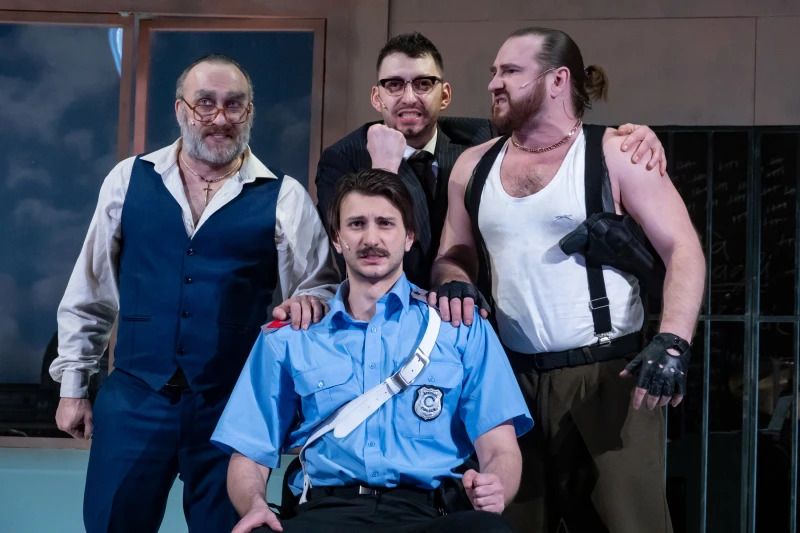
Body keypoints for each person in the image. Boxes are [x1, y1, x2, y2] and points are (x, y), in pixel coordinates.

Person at [430, 28, 706, 533]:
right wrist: (452, 279)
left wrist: (673, 341)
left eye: (510, 71)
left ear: (557, 80)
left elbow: (683, 247)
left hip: (606, 378)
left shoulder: (616, 153)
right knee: (509, 524)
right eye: (493, 71)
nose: (493, 83)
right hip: (511, 380)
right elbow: (454, 254)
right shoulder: (473, 165)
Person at [49, 54, 338, 533]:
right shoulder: (128, 179)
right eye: (205, 103)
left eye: (234, 105)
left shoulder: (284, 196)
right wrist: (74, 386)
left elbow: (319, 289)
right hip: (135, 397)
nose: (219, 117)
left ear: (250, 112)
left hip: (231, 408)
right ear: (181, 109)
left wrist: (310, 308)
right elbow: (90, 290)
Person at [211, 169, 533, 533]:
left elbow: (500, 449)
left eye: (385, 223)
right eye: (356, 224)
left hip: (428, 515)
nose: (371, 239)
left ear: (409, 237)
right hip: (323, 513)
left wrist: (495, 486)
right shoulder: (291, 336)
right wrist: (254, 504)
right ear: (337, 238)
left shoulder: (460, 329)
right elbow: (249, 453)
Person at [315, 32, 668, 288]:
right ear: (376, 97)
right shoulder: (343, 158)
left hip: (480, 324)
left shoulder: (483, 138)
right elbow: (351, 257)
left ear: (445, 95)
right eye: (394, 85)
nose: (409, 97)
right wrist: (384, 173)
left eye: (423, 84)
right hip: (388, 319)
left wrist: (629, 137)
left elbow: (554, 131)